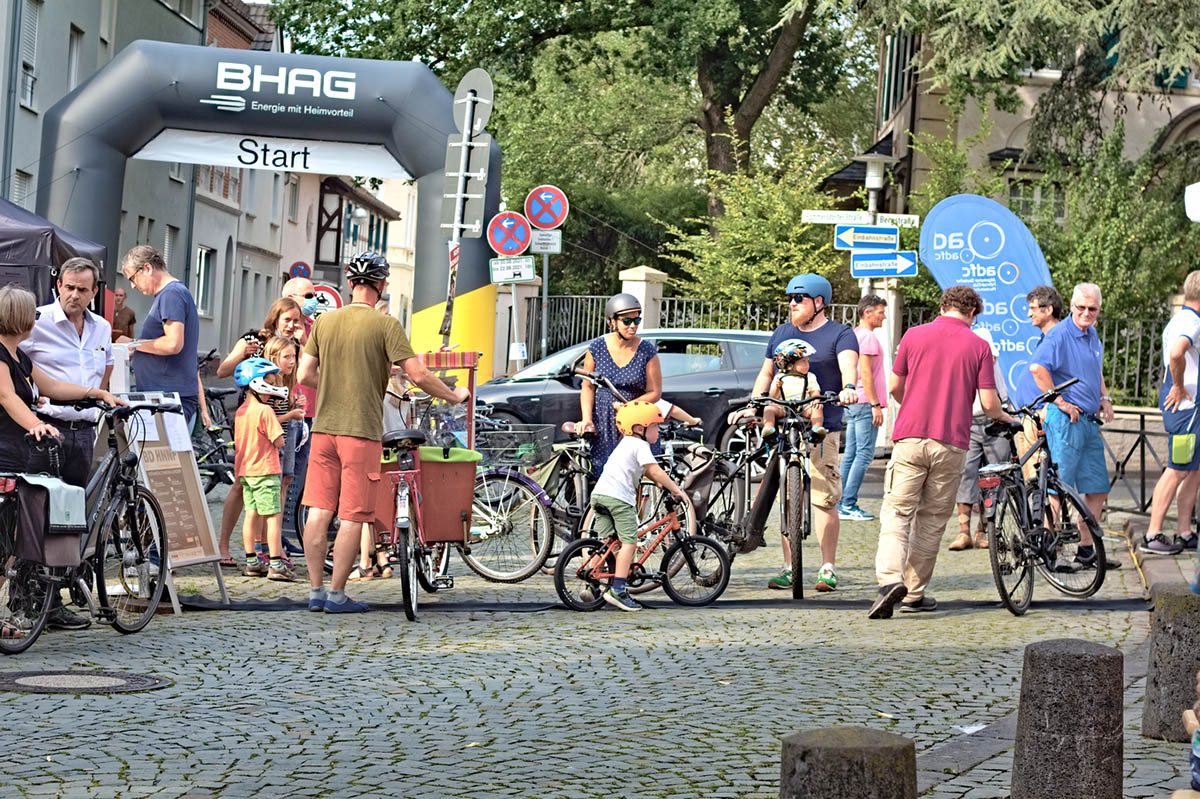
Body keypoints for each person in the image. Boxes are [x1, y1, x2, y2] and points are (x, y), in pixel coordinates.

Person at [298, 252, 469, 613]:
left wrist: (334, 385)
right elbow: (418, 375)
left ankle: (314, 591)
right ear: (381, 285)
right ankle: (337, 595)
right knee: (353, 514)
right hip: (360, 432)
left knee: (318, 510)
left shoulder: (326, 322)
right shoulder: (385, 325)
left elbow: (303, 375)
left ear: (350, 284)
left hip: (324, 429)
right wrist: (454, 395)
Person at [868, 286, 1016, 620]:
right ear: (973, 313)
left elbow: (893, 387)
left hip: (910, 436)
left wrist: (914, 407)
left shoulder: (914, 335)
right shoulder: (978, 346)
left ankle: (889, 580)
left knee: (897, 512)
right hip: (952, 442)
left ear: (942, 306)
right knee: (932, 520)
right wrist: (1006, 417)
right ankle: (914, 593)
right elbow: (990, 403)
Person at [738, 274, 858, 593]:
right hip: (785, 430)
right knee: (788, 500)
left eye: (799, 298)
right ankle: (790, 567)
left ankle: (827, 568)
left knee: (823, 498)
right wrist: (755, 402)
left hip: (823, 427)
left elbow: (849, 368)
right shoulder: (781, 333)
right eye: (790, 298)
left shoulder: (840, 334)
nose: (792, 304)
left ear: (819, 303)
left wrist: (848, 389)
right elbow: (766, 373)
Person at [1029, 282, 1120, 571]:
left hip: (1089, 422)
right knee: (1058, 489)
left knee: (1097, 488)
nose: (1086, 313)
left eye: (1092, 309)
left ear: (1099, 309)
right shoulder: (1059, 334)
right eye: (1080, 307)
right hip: (1067, 421)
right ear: (1070, 306)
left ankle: (1085, 550)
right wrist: (1059, 401)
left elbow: (1096, 370)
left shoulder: (1092, 334)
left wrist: (1104, 397)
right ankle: (1048, 552)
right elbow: (1037, 369)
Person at [213, 298, 306, 565]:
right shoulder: (254, 340)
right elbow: (222, 371)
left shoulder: (296, 345)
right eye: (287, 319)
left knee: (281, 481)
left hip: (283, 416)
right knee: (244, 480)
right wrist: (244, 353)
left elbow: (296, 377)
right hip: (256, 416)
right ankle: (224, 546)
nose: (291, 325)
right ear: (275, 317)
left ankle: (269, 547)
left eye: (296, 320)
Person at [21, 257, 114, 488]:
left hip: (84, 433)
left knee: (73, 510)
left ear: (93, 292)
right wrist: (28, 393)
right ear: (59, 286)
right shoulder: (37, 320)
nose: (74, 295)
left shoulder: (102, 327)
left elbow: (108, 362)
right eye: (70, 287)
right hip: (47, 427)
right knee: (38, 507)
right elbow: (10, 359)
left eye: (82, 289)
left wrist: (97, 393)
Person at [589, 401, 689, 611]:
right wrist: (676, 490)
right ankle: (618, 589)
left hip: (599, 495)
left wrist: (659, 482)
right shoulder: (640, 445)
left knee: (608, 543)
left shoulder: (625, 443)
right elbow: (655, 471)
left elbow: (643, 472)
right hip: (618, 499)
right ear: (639, 428)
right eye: (654, 426)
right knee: (630, 543)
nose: (657, 431)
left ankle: (592, 585)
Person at [1142, 271, 1200, 555]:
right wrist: (1177, 386)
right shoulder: (1192, 322)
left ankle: (1184, 531)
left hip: (1190, 410)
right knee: (1177, 470)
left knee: (1194, 470)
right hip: (1187, 409)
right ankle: (1153, 534)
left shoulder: (1181, 318)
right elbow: (1177, 353)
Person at [577, 293, 662, 477]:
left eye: (637, 319)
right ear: (613, 321)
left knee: (639, 473)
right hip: (604, 419)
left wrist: (629, 408)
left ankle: (637, 506)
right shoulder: (597, 347)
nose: (633, 326)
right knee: (604, 473)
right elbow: (587, 386)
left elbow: (655, 392)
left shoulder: (646, 350)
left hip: (636, 420)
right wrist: (587, 419)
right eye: (627, 321)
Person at [121, 245, 201, 427]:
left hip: (168, 397)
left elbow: (173, 344)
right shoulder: (171, 293)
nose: (133, 285)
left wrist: (134, 344)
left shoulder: (171, 294)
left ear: (147, 268)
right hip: (165, 396)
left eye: (133, 278)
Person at [947, 328, 1009, 552]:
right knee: (966, 475)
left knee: (993, 477)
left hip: (994, 423)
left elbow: (1002, 397)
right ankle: (963, 531)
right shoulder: (964, 365)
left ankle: (983, 530)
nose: (990, 358)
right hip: (969, 424)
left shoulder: (994, 368)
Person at [232, 357, 293, 582]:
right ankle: (276, 563)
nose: (272, 392)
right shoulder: (265, 412)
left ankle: (251, 562)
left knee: (251, 515)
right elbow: (279, 441)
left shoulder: (240, 411)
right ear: (258, 385)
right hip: (266, 471)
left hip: (246, 471)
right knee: (273, 517)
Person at [838, 295, 887, 522]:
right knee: (864, 454)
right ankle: (848, 503)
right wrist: (875, 404)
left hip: (855, 402)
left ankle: (841, 502)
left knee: (851, 454)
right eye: (880, 312)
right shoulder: (867, 337)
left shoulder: (854, 334)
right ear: (867, 313)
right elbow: (865, 372)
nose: (884, 316)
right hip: (865, 402)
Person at [1011, 286, 1063, 481]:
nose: (1028, 313)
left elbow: (1068, 374)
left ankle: (1043, 512)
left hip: (1040, 415)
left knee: (1038, 479)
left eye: (1033, 308)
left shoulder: (1059, 336)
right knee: (1030, 478)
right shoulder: (1046, 337)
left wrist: (1050, 405)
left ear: (1048, 310)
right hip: (1030, 415)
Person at [761, 338, 826, 440]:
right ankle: (769, 428)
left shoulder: (810, 376)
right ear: (790, 365)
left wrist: (816, 399)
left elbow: (815, 391)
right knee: (769, 409)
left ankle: (816, 429)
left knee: (817, 408)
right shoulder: (780, 376)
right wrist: (777, 387)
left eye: (807, 361)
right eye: (803, 362)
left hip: (804, 407)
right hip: (783, 407)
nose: (807, 365)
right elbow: (773, 396)